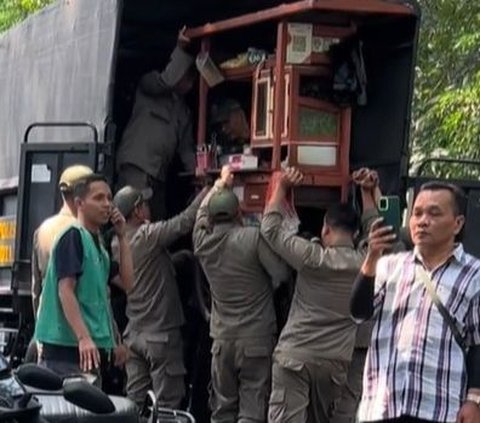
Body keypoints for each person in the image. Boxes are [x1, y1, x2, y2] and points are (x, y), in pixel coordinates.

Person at [351, 182, 480, 423]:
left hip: (439, 407)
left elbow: (478, 343)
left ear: (458, 223)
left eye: (434, 213)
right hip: (384, 405)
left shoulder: (474, 275)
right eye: (417, 213)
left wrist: (474, 400)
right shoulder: (390, 266)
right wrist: (370, 259)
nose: (422, 221)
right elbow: (358, 313)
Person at [260, 167, 378, 423]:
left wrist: (282, 186)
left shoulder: (312, 257)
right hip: (333, 365)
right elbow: (375, 234)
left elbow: (269, 229)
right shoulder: (366, 262)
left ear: (325, 230)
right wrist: (367, 194)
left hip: (295, 356)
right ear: (356, 234)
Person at [193, 166, 290, 423]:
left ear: (212, 220)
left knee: (223, 410)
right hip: (256, 338)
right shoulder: (252, 238)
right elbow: (281, 275)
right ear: (238, 212)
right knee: (252, 411)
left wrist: (219, 184)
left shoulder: (202, 243)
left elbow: (200, 215)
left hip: (222, 341)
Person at [112, 184, 208, 409]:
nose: (148, 207)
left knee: (133, 404)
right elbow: (184, 222)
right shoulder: (148, 235)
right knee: (166, 406)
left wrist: (177, 260)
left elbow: (143, 270)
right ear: (137, 211)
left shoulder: (119, 243)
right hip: (160, 336)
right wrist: (209, 190)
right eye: (144, 204)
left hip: (135, 337)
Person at [34, 174, 134, 380]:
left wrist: (123, 236)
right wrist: (84, 337)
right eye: (98, 198)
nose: (107, 204)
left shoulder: (97, 247)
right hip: (66, 353)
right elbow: (66, 290)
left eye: (109, 198)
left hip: (86, 352)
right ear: (79, 203)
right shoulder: (73, 236)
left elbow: (127, 282)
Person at [116, 26, 197, 221]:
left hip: (158, 174)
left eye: (191, 79)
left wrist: (199, 177)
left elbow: (186, 150)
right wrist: (181, 49)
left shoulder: (183, 112)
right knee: (133, 218)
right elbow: (167, 81)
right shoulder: (149, 85)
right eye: (186, 76)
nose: (188, 83)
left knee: (157, 222)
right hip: (137, 166)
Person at [31, 164, 93, 317]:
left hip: (48, 324)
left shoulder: (43, 229)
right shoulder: (83, 231)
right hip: (78, 327)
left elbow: (36, 288)